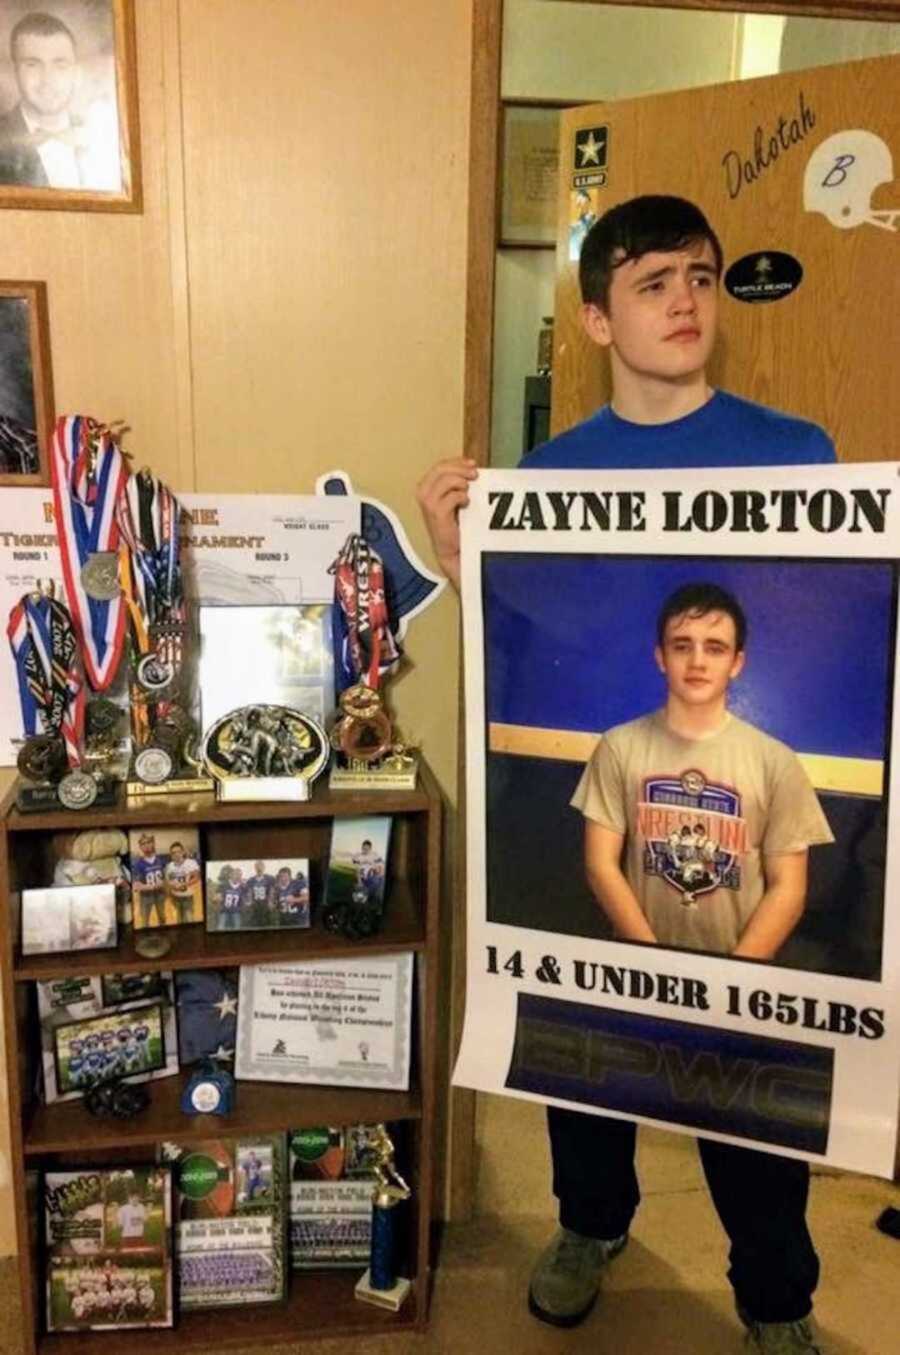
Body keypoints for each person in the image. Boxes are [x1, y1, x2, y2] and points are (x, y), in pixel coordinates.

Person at [416, 196, 836, 1354]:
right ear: (598, 317)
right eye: (653, 282)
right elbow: (520, 661)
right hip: (610, 789)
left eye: (699, 276)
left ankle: (775, 1293)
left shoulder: (797, 454)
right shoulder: (550, 475)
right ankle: (590, 1222)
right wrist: (466, 561)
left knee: (749, 1053)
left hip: (741, 799)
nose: (687, 299)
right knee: (588, 1032)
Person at [573, 579, 833, 957]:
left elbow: (789, 889)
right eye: (682, 646)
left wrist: (734, 975)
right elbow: (600, 865)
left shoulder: (776, 762)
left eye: (715, 648)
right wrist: (653, 964)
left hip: (737, 980)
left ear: (736, 663)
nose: (697, 661)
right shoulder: (618, 747)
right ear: (661, 657)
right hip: (638, 970)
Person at [0, 12, 82, 188]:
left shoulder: (101, 136)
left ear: (75, 70)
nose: (48, 80)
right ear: (15, 71)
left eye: (60, 65)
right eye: (32, 65)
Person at [131, 832, 169, 929]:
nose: (146, 845)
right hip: (145, 897)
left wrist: (165, 884)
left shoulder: (161, 860)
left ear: (153, 843)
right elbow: (136, 885)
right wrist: (152, 886)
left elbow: (167, 877)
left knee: (162, 918)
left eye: (148, 842)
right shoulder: (138, 864)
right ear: (140, 847)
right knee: (145, 922)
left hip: (160, 894)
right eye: (143, 844)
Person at [164, 839, 201, 925]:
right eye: (173, 853)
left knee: (189, 920)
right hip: (175, 897)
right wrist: (171, 887)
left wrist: (185, 884)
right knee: (179, 921)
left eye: (178, 851)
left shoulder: (191, 863)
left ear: (183, 852)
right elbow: (167, 881)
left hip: (187, 897)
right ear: (171, 855)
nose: (176, 854)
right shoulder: (169, 866)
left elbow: (197, 877)